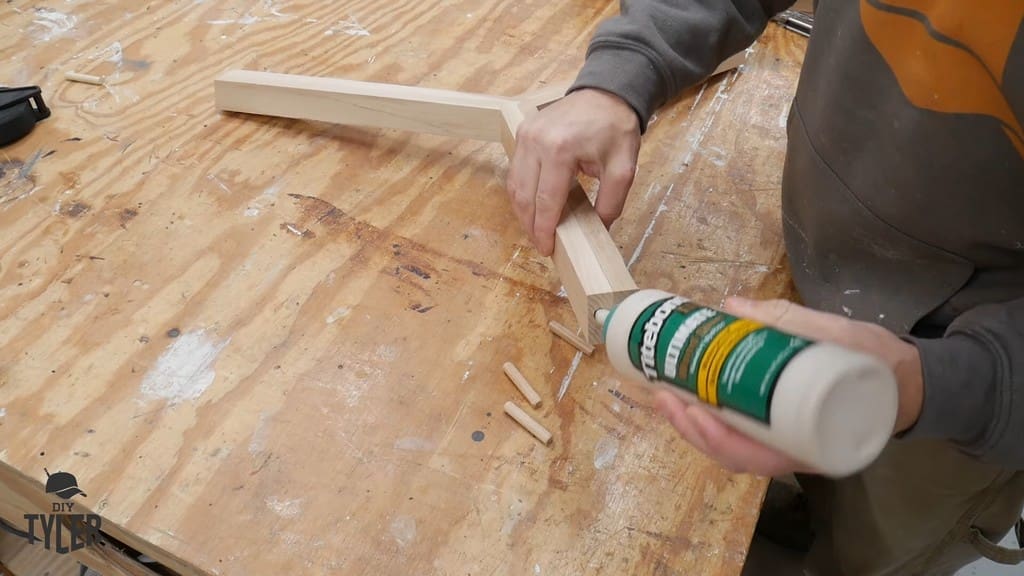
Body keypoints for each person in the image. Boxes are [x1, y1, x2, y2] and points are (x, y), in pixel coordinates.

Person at [504, 1, 1024, 574]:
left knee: (872, 546)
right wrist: (625, 71)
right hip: (821, 241)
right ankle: (816, 505)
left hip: (962, 371)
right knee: (795, 411)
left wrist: (946, 385)